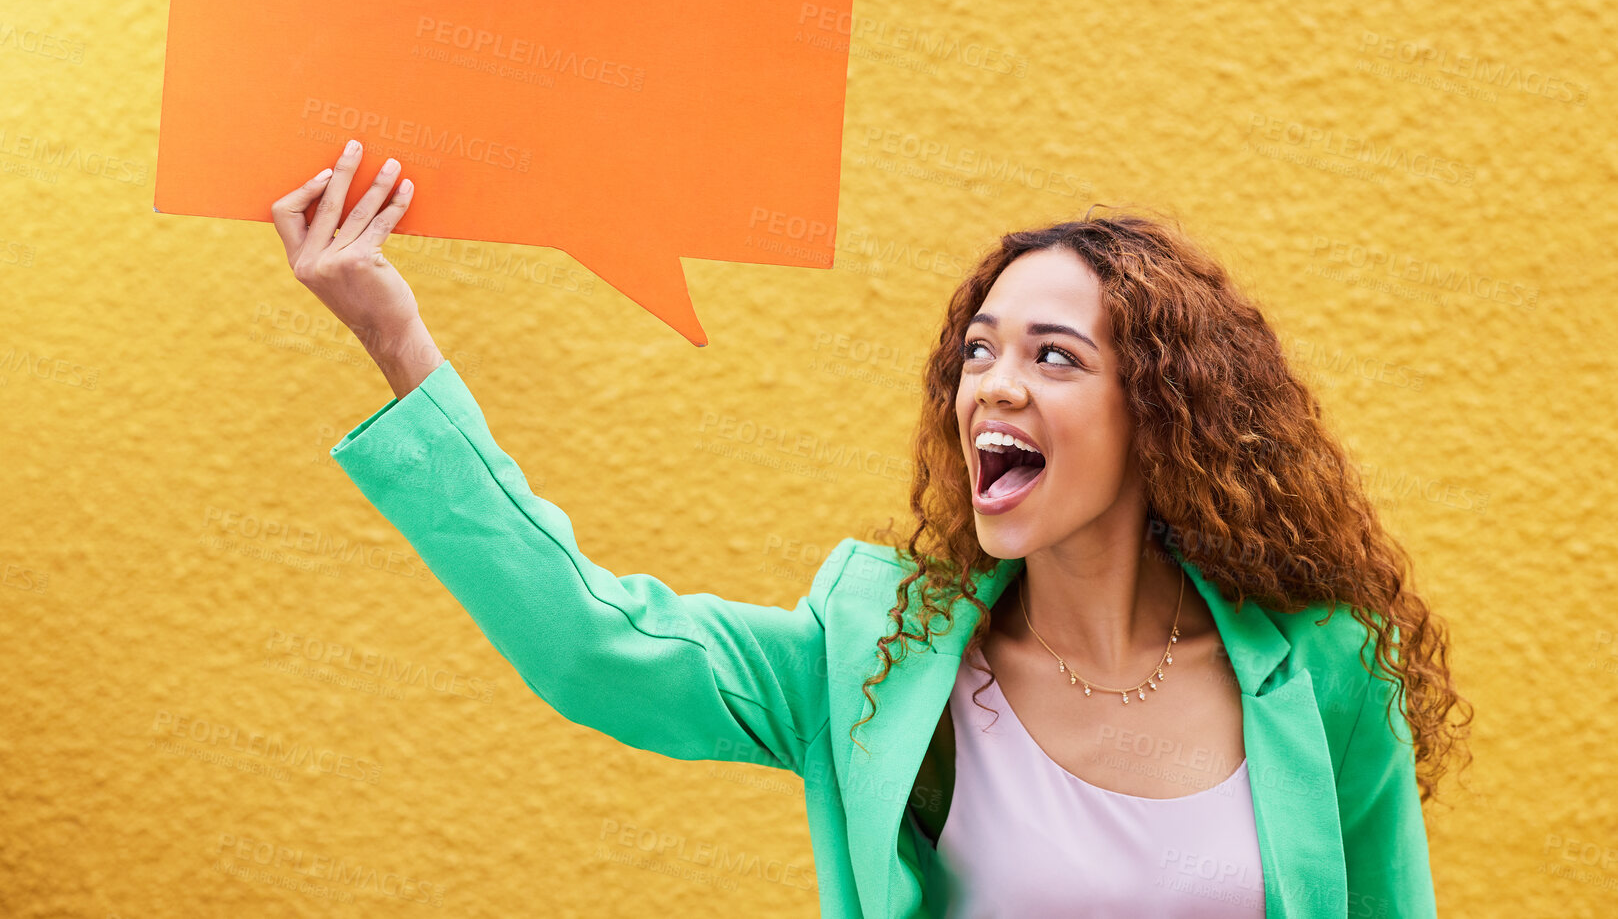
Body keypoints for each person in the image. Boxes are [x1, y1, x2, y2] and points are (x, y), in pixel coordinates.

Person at [272, 141, 1472, 918]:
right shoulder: (876, 655)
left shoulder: (1319, 670)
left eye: (1052, 355)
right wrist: (395, 341)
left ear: (1161, 411)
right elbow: (593, 646)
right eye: (978, 350)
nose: (992, 384)